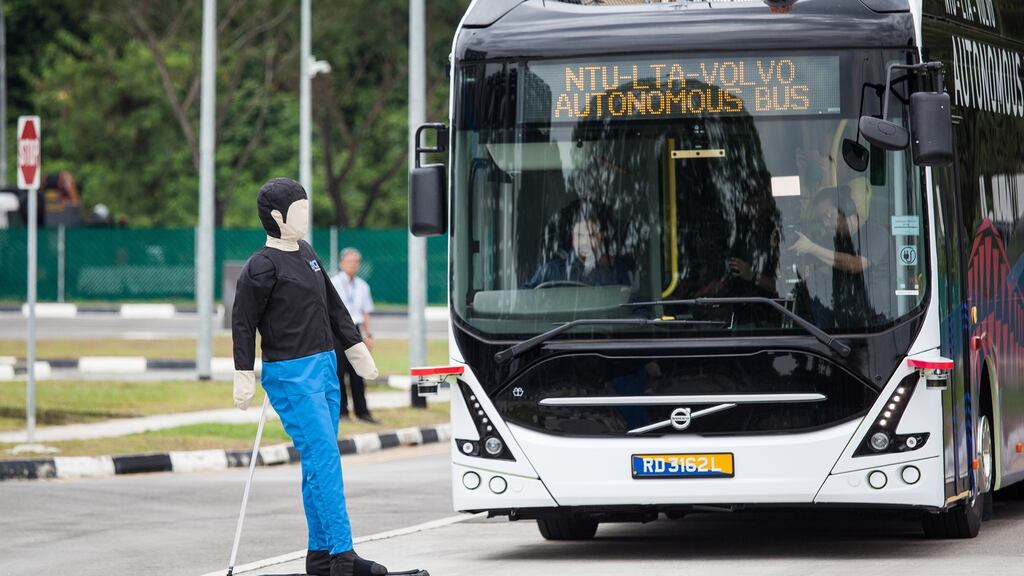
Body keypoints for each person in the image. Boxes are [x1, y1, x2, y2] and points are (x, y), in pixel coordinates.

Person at [232, 178, 423, 576]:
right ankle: (344, 556)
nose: (306, 217)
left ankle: (320, 557)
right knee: (324, 457)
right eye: (298, 210)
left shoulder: (307, 253)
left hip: (325, 366)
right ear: (277, 217)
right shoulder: (261, 266)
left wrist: (356, 350)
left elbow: (335, 307)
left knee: (317, 463)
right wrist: (243, 371)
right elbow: (243, 322)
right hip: (291, 373)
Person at [788, 185, 892, 328]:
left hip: (877, 324)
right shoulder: (837, 242)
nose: (825, 224)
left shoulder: (875, 233)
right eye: (821, 219)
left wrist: (812, 248)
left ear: (846, 209)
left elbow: (856, 264)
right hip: (849, 325)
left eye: (828, 215)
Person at [524, 210, 631, 289]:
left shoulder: (617, 273)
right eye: (580, 236)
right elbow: (523, 300)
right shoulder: (549, 272)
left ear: (601, 238)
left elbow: (637, 309)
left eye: (591, 235)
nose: (585, 242)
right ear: (573, 238)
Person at [331, 247, 378, 424]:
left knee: (359, 370)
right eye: (349, 261)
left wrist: (368, 334)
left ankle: (362, 411)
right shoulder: (334, 283)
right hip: (337, 330)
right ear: (342, 263)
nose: (353, 265)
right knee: (339, 371)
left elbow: (365, 312)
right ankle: (342, 412)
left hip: (355, 329)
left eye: (356, 262)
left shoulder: (363, 286)